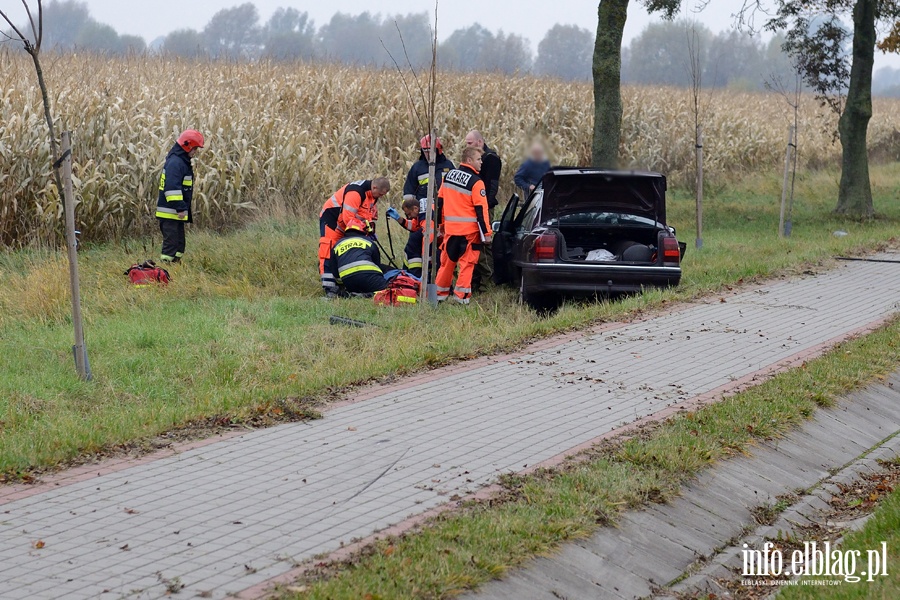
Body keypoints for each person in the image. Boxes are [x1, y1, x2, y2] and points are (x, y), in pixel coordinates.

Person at [435, 146, 493, 305]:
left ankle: (439, 295)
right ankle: (461, 298)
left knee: (447, 263)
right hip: (469, 233)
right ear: (469, 161)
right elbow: (481, 210)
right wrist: (486, 233)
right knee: (467, 265)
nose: (481, 162)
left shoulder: (448, 176)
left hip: (451, 230)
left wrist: (440, 225)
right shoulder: (476, 182)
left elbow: (439, 202)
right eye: (478, 159)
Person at [318, 177, 391, 296]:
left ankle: (343, 286)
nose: (381, 197)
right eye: (380, 194)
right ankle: (329, 288)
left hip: (348, 227)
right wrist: (361, 234)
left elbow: (368, 216)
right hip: (332, 223)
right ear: (375, 187)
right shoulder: (356, 192)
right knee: (328, 251)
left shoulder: (372, 195)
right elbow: (348, 218)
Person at [400, 135, 454, 277]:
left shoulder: (448, 166)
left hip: (443, 217)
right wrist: (410, 214)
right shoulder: (417, 168)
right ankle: (416, 277)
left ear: (439, 149)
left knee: (440, 249)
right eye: (425, 150)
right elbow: (408, 195)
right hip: (422, 217)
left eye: (430, 150)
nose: (427, 153)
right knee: (418, 246)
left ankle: (437, 278)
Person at [155, 129, 204, 263]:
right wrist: (180, 207)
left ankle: (175, 266)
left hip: (174, 213)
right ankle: (165, 269)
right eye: (194, 149)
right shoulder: (176, 163)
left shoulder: (180, 161)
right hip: (170, 212)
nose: (195, 152)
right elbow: (171, 189)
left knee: (179, 243)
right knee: (171, 244)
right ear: (186, 146)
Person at [464, 130, 502, 290]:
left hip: (485, 206)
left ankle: (487, 282)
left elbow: (492, 186)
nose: (467, 146)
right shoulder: (475, 160)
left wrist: (484, 208)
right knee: (473, 243)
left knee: (484, 244)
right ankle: (475, 280)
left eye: (469, 143)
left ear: (479, 142)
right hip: (473, 206)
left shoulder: (491, 159)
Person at [330, 218, 388, 296]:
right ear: (362, 230)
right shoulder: (369, 242)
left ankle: (350, 294)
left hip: (348, 280)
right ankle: (367, 295)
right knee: (387, 292)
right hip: (368, 276)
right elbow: (377, 265)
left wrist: (342, 285)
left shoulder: (337, 245)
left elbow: (335, 271)